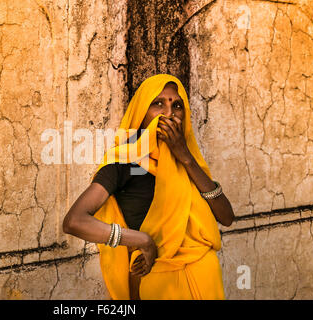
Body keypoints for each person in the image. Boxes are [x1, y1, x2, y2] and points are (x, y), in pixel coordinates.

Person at [62, 74, 235, 300]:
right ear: (141, 114)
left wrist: (186, 158)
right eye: (158, 104)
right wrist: (141, 240)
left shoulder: (190, 162)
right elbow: (74, 221)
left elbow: (226, 217)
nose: (168, 114)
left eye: (177, 105)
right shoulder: (124, 164)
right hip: (159, 286)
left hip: (206, 282)